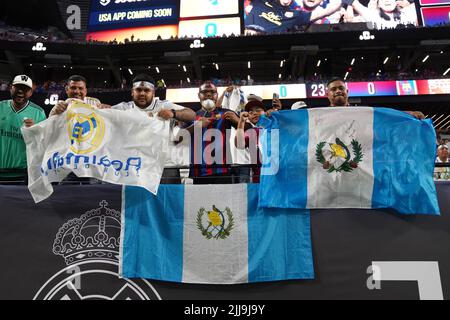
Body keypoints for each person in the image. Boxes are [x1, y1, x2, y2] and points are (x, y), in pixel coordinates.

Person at [111, 74, 196, 184]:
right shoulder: (124, 108)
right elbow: (103, 115)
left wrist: (173, 113)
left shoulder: (164, 105)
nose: (142, 93)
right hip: (134, 167)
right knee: (137, 200)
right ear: (132, 92)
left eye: (146, 90)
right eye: (138, 90)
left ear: (153, 93)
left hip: (165, 167)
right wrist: (103, 109)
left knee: (168, 200)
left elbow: (192, 114)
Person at [186, 81, 247, 184]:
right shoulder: (191, 116)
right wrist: (196, 127)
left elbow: (251, 130)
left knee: (224, 200)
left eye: (212, 92)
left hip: (223, 171)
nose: (209, 94)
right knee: (200, 201)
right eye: (204, 92)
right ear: (198, 95)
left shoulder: (227, 113)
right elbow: (177, 138)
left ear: (217, 95)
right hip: (199, 172)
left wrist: (238, 121)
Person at [0, 75, 46, 179]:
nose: (20, 91)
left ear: (30, 92)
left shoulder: (39, 112)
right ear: (11, 88)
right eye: (17, 87)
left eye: (25, 89)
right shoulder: (0, 107)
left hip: (23, 173)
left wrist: (35, 130)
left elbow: (44, 143)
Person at [326, 77, 425, 119]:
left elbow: (385, 115)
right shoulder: (320, 115)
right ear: (328, 95)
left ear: (347, 92)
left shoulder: (359, 112)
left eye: (341, 88)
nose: (338, 91)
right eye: (333, 89)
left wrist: (409, 114)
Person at [244, 0, 343, 35]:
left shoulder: (296, 15)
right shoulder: (261, 2)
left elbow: (325, 12)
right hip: (247, 43)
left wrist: (347, 2)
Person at [235, 100, 267, 183]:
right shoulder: (251, 132)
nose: (255, 113)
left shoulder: (274, 127)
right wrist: (241, 121)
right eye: (251, 112)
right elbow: (239, 144)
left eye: (258, 110)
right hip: (258, 178)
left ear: (265, 112)